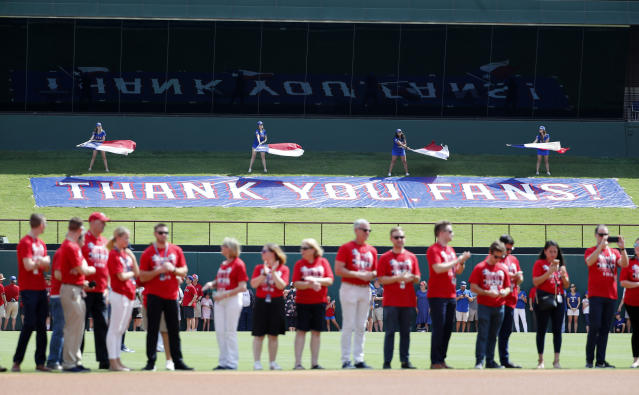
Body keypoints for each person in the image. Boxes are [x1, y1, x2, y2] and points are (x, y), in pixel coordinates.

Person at [139, 223, 192, 371]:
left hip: (171, 295)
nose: (164, 235)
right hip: (154, 296)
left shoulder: (176, 250)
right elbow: (142, 275)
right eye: (161, 232)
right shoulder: (148, 252)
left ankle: (178, 361)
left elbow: (184, 270)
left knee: (173, 330)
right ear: (155, 234)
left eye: (166, 233)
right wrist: (158, 270)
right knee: (153, 330)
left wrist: (173, 269)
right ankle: (151, 362)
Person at [426, 220, 471, 369]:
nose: (452, 234)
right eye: (450, 231)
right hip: (437, 295)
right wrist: (457, 260)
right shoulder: (434, 250)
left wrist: (462, 262)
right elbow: (438, 268)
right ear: (441, 233)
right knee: (438, 328)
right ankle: (435, 361)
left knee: (447, 329)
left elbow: (458, 271)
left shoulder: (450, 250)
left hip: (451, 295)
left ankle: (442, 359)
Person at [335, 219, 378, 369]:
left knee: (361, 325)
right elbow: (339, 269)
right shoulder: (346, 248)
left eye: (369, 230)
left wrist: (371, 274)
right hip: (349, 287)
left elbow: (375, 271)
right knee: (348, 324)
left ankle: (359, 359)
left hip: (365, 289)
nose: (367, 233)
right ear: (356, 230)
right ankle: (346, 360)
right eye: (365, 230)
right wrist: (359, 274)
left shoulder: (372, 250)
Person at [584, 225, 628, 368]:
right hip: (596, 295)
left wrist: (622, 248)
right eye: (601, 234)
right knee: (594, 326)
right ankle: (589, 360)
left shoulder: (614, 252)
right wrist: (600, 248)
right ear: (596, 235)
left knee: (604, 329)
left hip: (611, 295)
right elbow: (589, 262)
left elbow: (625, 264)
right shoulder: (591, 250)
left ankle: (601, 361)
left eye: (606, 234)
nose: (604, 237)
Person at [12, 213, 52, 372]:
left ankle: (40, 363)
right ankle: (17, 361)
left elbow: (47, 267)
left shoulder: (41, 243)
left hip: (41, 288)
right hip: (28, 288)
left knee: (42, 326)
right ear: (39, 224)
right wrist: (42, 262)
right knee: (29, 324)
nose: (46, 225)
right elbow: (28, 266)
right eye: (45, 222)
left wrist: (42, 263)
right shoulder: (25, 242)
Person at [378, 226, 420, 369]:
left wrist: (410, 278)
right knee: (390, 332)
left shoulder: (411, 257)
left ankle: (405, 361)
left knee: (406, 333)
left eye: (402, 237)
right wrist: (398, 277)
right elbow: (381, 279)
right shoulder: (385, 257)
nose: (399, 240)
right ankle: (387, 362)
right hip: (391, 301)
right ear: (391, 239)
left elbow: (417, 278)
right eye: (396, 237)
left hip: (407, 301)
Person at [203, 237, 248, 370]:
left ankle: (232, 362)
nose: (221, 247)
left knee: (230, 331)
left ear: (231, 248)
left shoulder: (238, 264)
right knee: (220, 331)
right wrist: (212, 284)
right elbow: (219, 281)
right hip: (220, 299)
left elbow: (242, 286)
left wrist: (225, 294)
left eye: (224, 246)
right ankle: (223, 362)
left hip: (232, 299)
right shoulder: (223, 264)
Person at [59, 217, 96, 372]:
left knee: (78, 328)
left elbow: (78, 270)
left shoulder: (71, 246)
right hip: (71, 290)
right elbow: (82, 269)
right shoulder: (71, 246)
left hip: (76, 288)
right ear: (79, 230)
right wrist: (90, 269)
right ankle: (69, 362)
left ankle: (74, 360)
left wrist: (83, 271)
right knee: (73, 328)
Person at [292, 238, 334, 370]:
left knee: (316, 332)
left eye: (304, 248)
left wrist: (316, 280)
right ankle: (298, 363)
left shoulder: (323, 262)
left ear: (313, 249)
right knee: (301, 332)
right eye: (301, 248)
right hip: (302, 302)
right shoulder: (299, 264)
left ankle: (314, 363)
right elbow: (296, 283)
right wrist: (309, 284)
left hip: (319, 302)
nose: (302, 251)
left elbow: (329, 280)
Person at [470, 241, 511, 369]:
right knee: (483, 333)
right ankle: (479, 361)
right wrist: (486, 292)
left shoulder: (503, 268)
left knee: (494, 336)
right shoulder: (480, 267)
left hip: (499, 306)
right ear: (490, 253)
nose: (498, 259)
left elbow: (508, 287)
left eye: (501, 257)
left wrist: (504, 292)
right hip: (485, 305)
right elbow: (473, 287)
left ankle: (490, 361)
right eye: (496, 256)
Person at [249, 243, 289, 371]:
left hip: (276, 302)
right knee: (259, 335)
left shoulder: (283, 268)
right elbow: (254, 284)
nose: (262, 253)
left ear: (273, 253)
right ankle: (257, 363)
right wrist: (264, 274)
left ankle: (272, 363)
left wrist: (273, 272)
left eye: (264, 251)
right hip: (261, 302)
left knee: (273, 335)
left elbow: (281, 286)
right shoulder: (258, 267)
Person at [105, 226, 139, 371]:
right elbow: (121, 276)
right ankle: (113, 361)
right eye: (125, 237)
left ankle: (117, 360)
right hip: (119, 294)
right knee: (114, 328)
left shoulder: (126, 254)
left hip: (128, 294)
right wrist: (131, 273)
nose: (127, 240)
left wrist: (132, 257)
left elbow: (137, 272)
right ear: (117, 238)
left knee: (121, 329)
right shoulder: (114, 254)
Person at [533, 240, 570, 369]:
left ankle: (556, 360)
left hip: (558, 299)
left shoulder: (561, 266)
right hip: (543, 298)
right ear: (545, 252)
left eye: (555, 251)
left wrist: (564, 275)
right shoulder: (540, 263)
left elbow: (566, 285)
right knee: (541, 330)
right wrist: (549, 272)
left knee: (557, 331)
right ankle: (541, 360)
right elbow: (536, 281)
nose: (553, 254)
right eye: (551, 251)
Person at [81, 212, 111, 370]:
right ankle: (76, 359)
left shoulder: (105, 241)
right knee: (80, 326)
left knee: (102, 325)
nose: (104, 225)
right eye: (102, 222)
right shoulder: (82, 240)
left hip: (100, 291)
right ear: (92, 222)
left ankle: (104, 360)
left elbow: (107, 266)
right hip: (84, 289)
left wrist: (106, 287)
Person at [497, 235, 523, 369]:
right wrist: (512, 276)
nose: (509, 251)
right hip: (498, 300)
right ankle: (487, 360)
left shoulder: (514, 259)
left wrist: (519, 278)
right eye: (507, 248)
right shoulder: (495, 259)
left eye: (510, 249)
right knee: (492, 332)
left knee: (506, 331)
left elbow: (519, 278)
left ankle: (504, 360)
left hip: (511, 299)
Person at [46, 236, 71, 371]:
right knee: (59, 329)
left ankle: (61, 359)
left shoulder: (70, 252)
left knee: (65, 330)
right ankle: (53, 360)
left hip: (66, 295)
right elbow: (58, 274)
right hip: (60, 295)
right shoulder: (62, 252)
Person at [620, 238, 639, 368]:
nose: (638, 247)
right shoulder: (629, 262)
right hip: (632, 302)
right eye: (636, 244)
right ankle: (636, 359)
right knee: (637, 330)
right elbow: (623, 282)